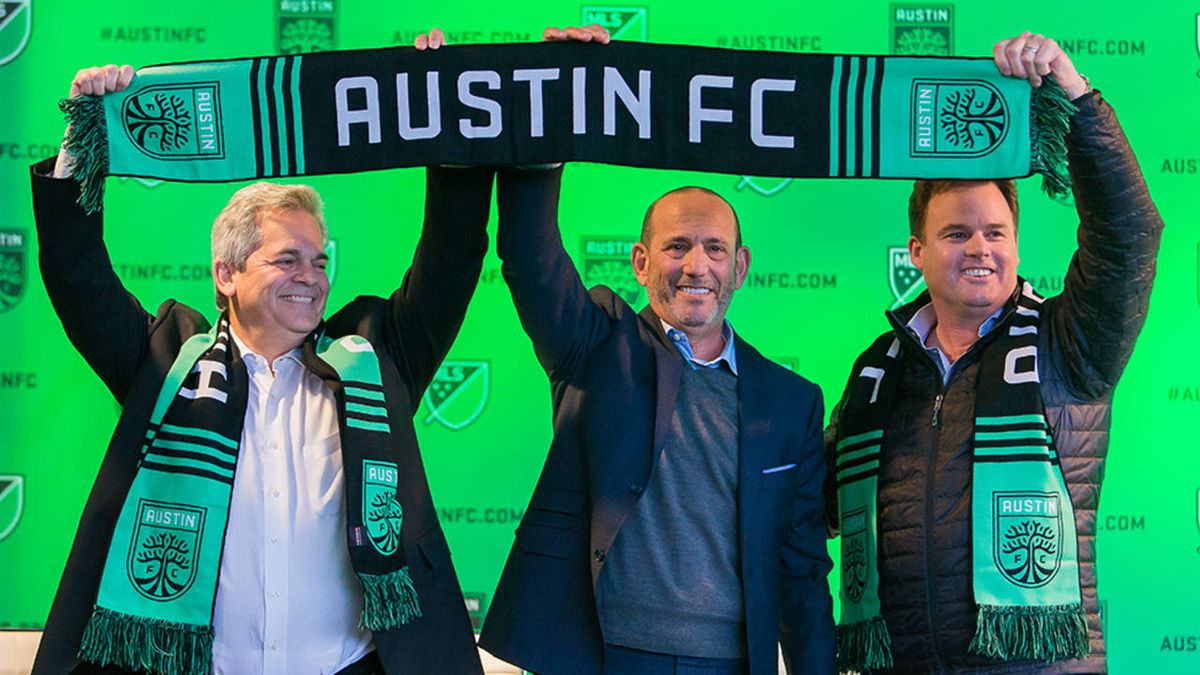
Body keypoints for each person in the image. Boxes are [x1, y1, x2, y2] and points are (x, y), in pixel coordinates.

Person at [31, 62, 491, 675]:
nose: (311, 277)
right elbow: (75, 273)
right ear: (227, 274)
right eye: (287, 259)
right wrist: (86, 132)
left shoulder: (374, 358)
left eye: (319, 261)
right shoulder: (166, 362)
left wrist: (445, 112)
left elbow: (451, 260)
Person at [452, 23, 835, 675]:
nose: (696, 265)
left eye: (715, 248)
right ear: (640, 261)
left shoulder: (791, 400)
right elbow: (529, 256)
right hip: (601, 654)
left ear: (740, 266)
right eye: (677, 246)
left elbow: (800, 568)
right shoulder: (597, 342)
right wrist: (547, 105)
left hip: (731, 661)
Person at [825, 33, 1162, 673]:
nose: (979, 247)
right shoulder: (879, 369)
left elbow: (1129, 236)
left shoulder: (1070, 341)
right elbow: (806, 498)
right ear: (916, 252)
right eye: (956, 233)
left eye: (995, 231)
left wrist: (1076, 97)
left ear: (1015, 241)